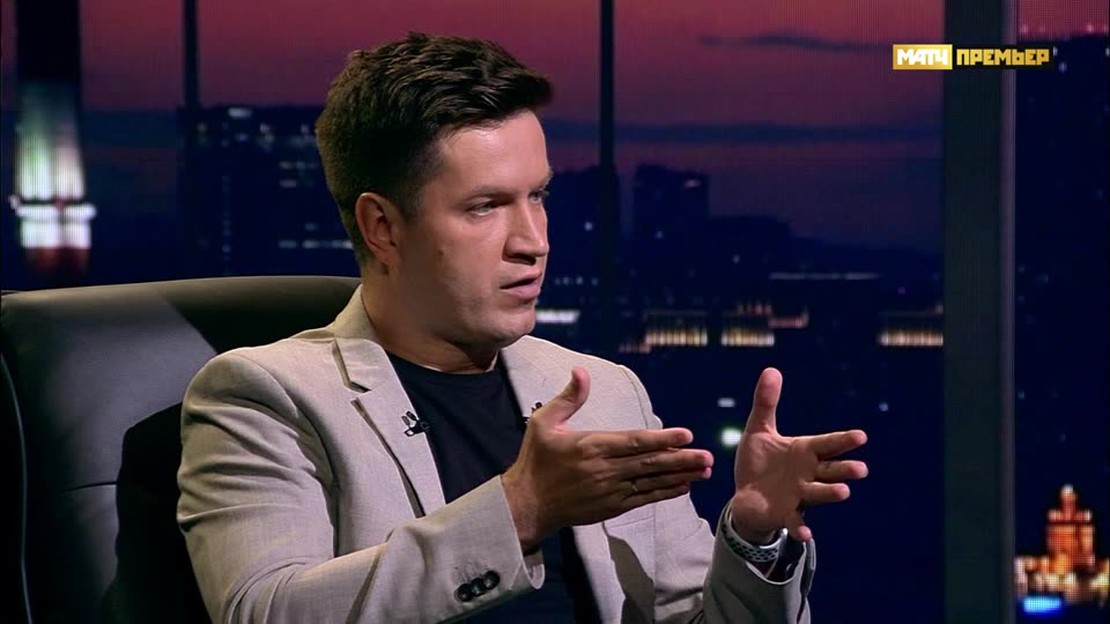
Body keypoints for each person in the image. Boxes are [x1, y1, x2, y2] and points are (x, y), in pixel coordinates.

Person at [177, 32, 869, 623]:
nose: (533, 241)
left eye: (538, 197)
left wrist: (753, 538)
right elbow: (264, 610)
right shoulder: (265, 396)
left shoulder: (603, 390)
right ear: (382, 226)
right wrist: (521, 508)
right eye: (485, 207)